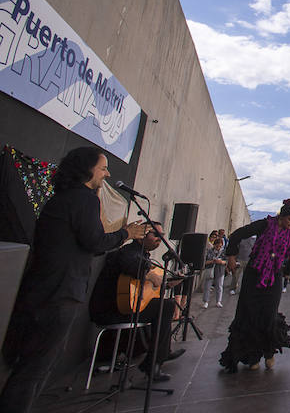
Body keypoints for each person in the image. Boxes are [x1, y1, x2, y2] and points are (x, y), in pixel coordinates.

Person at [0, 147, 145, 413]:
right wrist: (126, 233)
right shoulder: (85, 199)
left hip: (43, 290)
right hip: (59, 294)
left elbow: (89, 244)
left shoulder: (64, 199)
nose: (107, 173)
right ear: (87, 170)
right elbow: (94, 240)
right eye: (103, 168)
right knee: (35, 368)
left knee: (29, 365)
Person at [89, 221, 183, 381]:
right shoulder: (128, 251)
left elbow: (143, 288)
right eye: (156, 234)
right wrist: (149, 275)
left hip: (128, 307)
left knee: (165, 304)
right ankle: (154, 363)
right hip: (114, 309)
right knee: (166, 306)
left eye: (162, 235)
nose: (160, 239)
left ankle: (161, 354)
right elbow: (130, 264)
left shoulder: (143, 255)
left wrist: (167, 284)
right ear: (140, 237)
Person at [220, 200, 290, 372]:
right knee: (249, 314)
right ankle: (251, 356)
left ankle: (268, 351)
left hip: (273, 277)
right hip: (254, 273)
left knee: (269, 315)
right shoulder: (264, 225)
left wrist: (287, 271)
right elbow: (237, 234)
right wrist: (231, 256)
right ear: (281, 217)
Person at [204, 237, 227, 305]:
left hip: (220, 270)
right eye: (217, 246)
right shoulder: (209, 251)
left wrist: (221, 262)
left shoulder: (223, 252)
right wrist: (212, 261)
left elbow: (226, 262)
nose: (218, 248)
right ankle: (206, 301)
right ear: (214, 245)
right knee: (207, 286)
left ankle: (218, 301)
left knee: (219, 285)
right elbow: (205, 261)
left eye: (220, 246)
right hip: (210, 269)